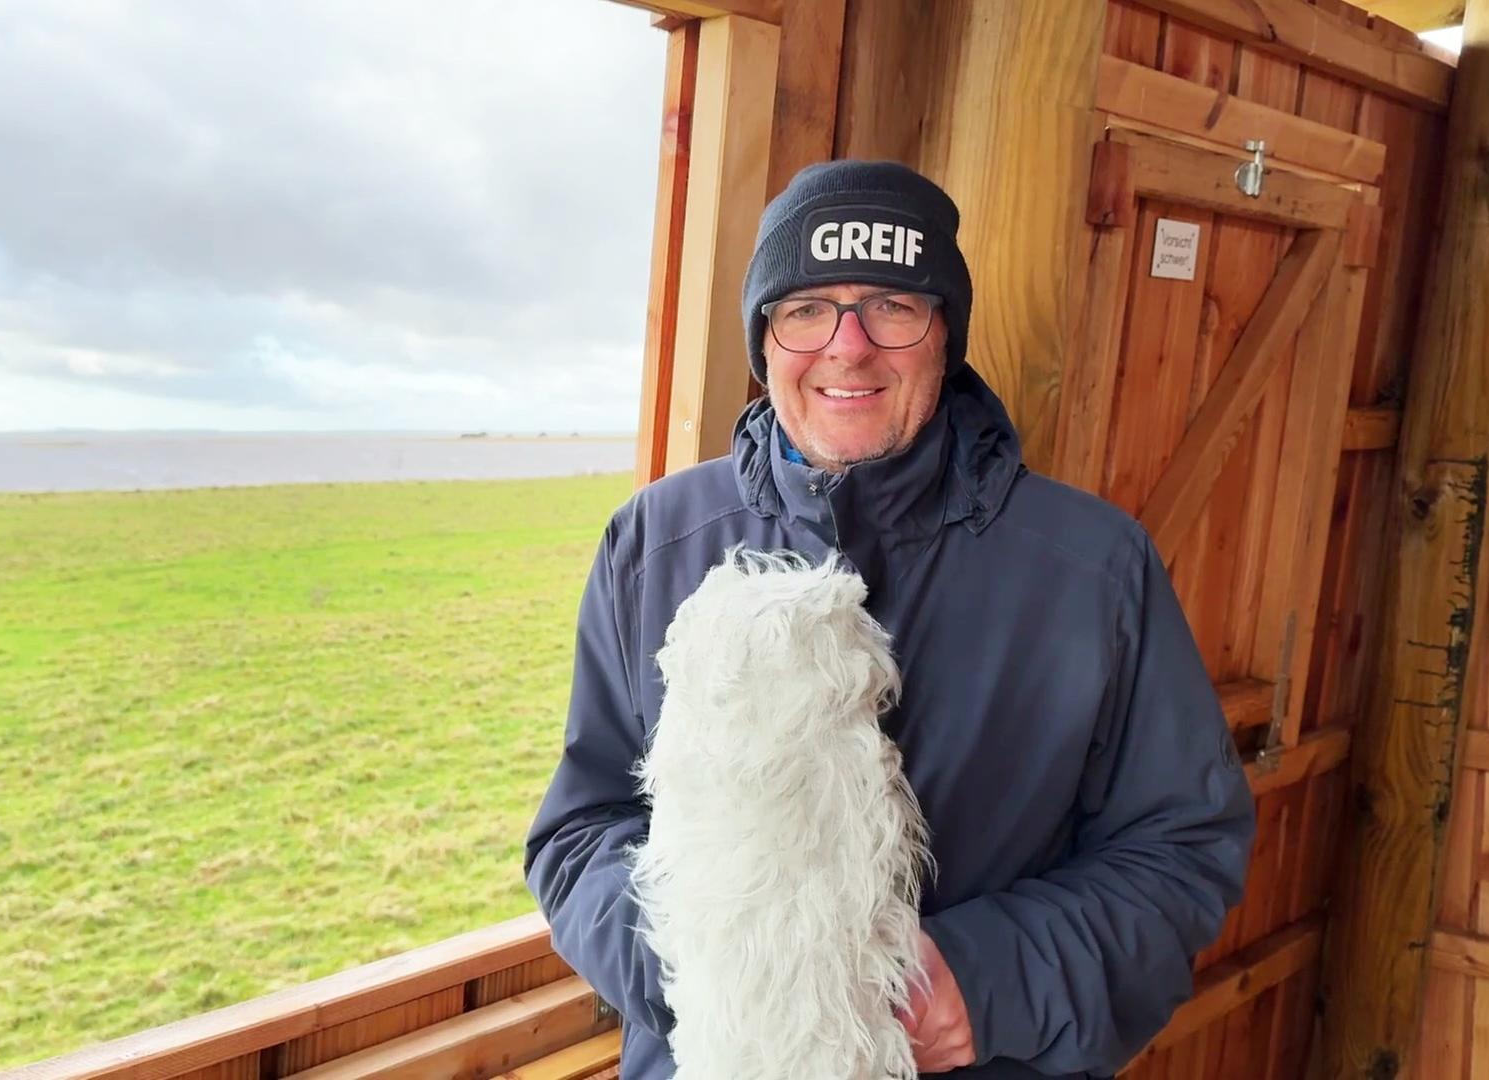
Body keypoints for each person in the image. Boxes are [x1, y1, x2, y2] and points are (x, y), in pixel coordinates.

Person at [523, 159, 1256, 1078]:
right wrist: (712, 973)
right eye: (805, 310)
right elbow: (582, 827)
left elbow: (1179, 850)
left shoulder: (1095, 569)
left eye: (893, 306)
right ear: (765, 339)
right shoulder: (656, 542)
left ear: (945, 335)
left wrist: (985, 987)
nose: (848, 346)